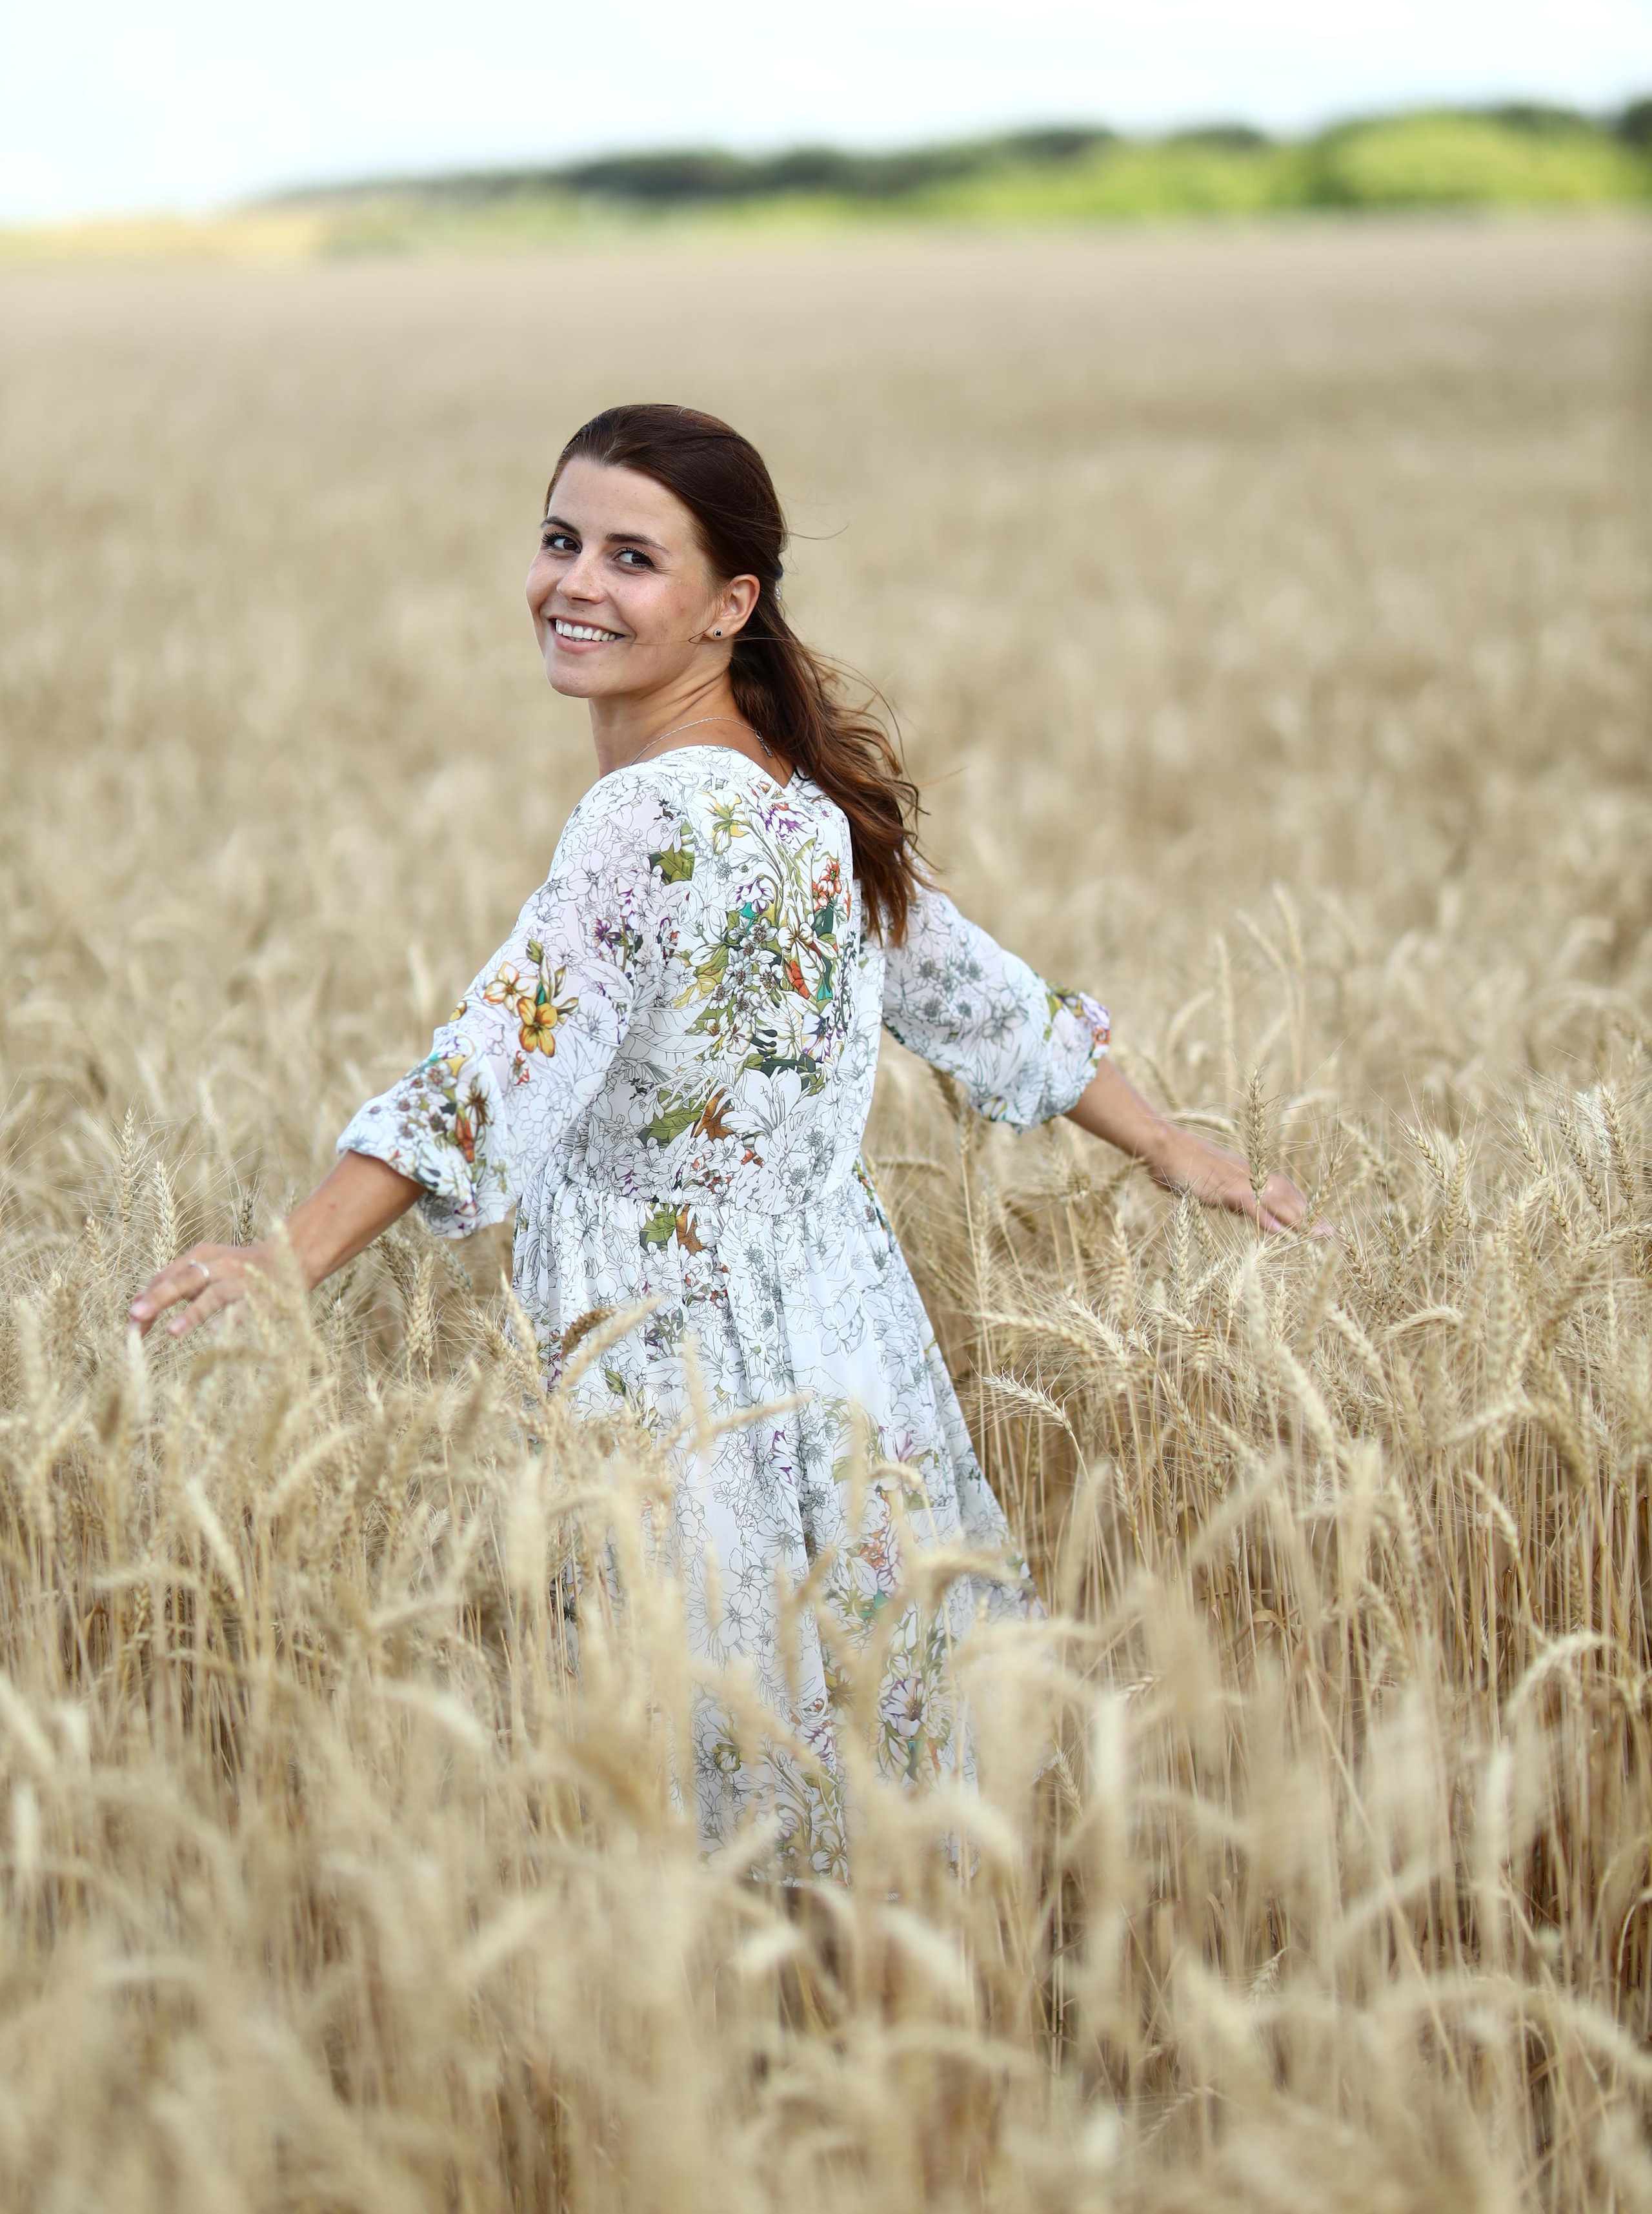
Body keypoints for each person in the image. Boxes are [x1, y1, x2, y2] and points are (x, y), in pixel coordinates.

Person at [133, 403, 1311, 1878]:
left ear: (726, 605)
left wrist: (287, 1259)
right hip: (843, 1340)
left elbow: (495, 1063)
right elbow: (971, 991)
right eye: (561, 541)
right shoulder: (798, 796)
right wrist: (1161, 1146)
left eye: (633, 558)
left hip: (666, 1366)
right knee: (871, 1742)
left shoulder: (641, 824)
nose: (575, 584)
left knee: (701, 1771)